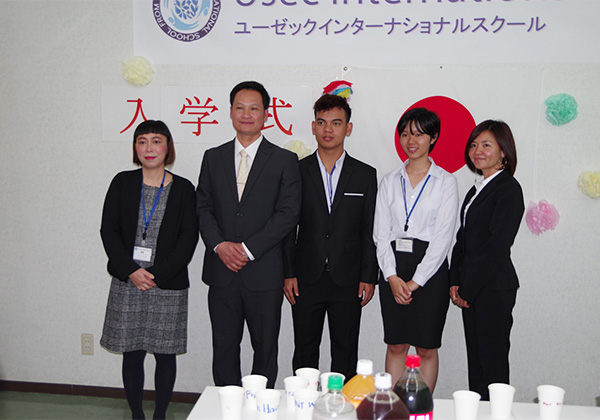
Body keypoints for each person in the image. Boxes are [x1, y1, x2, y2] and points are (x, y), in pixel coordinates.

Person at [196, 81, 302, 388]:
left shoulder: (284, 160)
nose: (246, 114)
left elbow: (288, 214)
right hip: (222, 272)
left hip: (264, 272)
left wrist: (247, 249)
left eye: (254, 108)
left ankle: (260, 406)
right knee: (224, 348)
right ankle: (227, 405)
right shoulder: (213, 157)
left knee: (265, 350)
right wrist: (219, 245)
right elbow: (202, 206)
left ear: (266, 114)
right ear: (230, 112)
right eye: (240, 108)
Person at [99, 120, 199, 420]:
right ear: (135, 148)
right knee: (132, 353)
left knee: (165, 355)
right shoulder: (122, 182)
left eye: (156, 141)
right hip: (127, 281)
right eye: (142, 141)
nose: (149, 148)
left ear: (168, 147)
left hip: (166, 284)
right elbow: (109, 231)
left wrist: (155, 275)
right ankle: (137, 415)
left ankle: (159, 416)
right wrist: (132, 270)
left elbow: (188, 238)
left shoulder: (184, 189)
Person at [283, 94, 378, 381]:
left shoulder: (365, 175)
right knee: (304, 351)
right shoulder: (297, 171)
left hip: (348, 279)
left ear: (348, 128)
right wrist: (288, 272)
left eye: (336, 123)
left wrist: (368, 276)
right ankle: (304, 402)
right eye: (322, 122)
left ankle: (342, 403)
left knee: (345, 352)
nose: (328, 129)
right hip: (305, 278)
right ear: (313, 127)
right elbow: (287, 227)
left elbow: (369, 229)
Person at [373, 108, 458, 390]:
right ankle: (395, 407)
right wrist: (392, 277)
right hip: (393, 268)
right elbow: (380, 235)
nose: (411, 140)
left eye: (419, 134)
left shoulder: (446, 182)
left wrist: (415, 282)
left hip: (431, 271)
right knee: (396, 345)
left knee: (426, 348)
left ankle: (423, 408)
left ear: (433, 138)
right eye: (406, 134)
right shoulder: (389, 181)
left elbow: (443, 239)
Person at [449, 120, 524, 401]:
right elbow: (463, 239)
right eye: (473, 145)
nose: (477, 151)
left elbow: (496, 245)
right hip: (473, 287)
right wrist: (454, 280)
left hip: (493, 289)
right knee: (477, 363)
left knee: (492, 365)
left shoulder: (508, 188)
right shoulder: (476, 189)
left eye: (486, 145)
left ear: (503, 151)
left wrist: (468, 288)